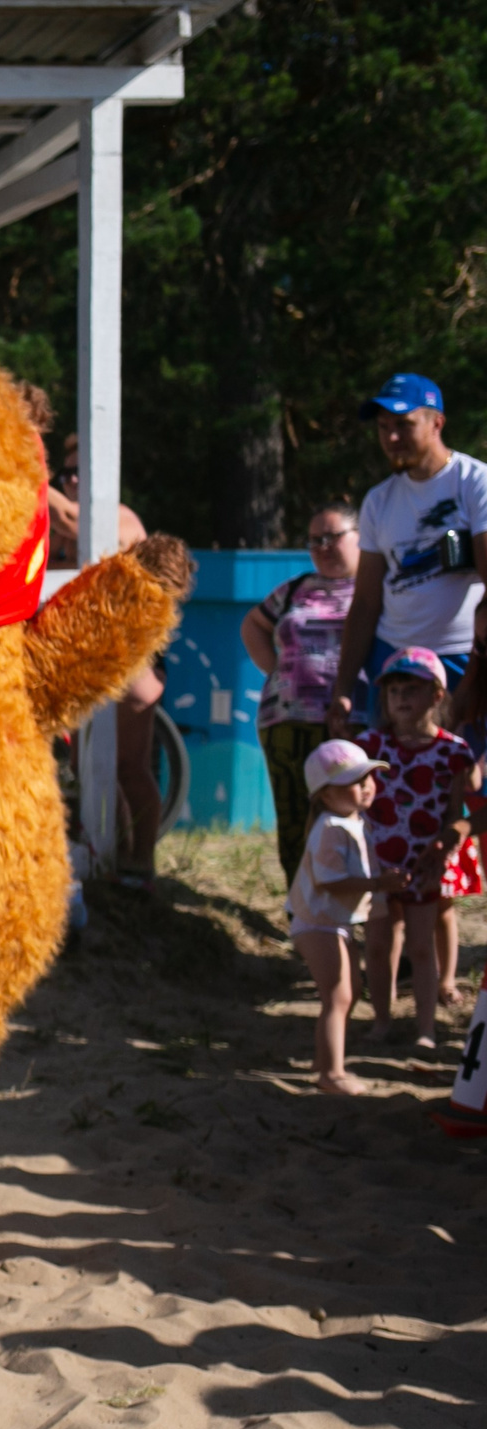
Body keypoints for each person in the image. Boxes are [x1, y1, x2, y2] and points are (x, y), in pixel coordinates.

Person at [325, 374, 487, 735]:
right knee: (390, 785)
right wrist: (344, 688)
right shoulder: (378, 500)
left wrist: (475, 677)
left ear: (437, 423)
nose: (391, 438)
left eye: (403, 425)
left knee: (468, 782)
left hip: (459, 658)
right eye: (383, 427)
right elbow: (366, 602)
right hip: (393, 662)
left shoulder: (475, 483)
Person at [353, 647, 481, 1046]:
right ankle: (382, 1021)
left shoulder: (453, 751)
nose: (402, 698)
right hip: (378, 865)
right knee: (378, 945)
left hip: (425, 862)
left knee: (422, 948)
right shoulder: (369, 746)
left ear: (437, 695)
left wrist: (444, 852)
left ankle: (426, 1028)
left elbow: (456, 809)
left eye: (412, 688)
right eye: (394, 691)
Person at [48, 438, 162, 885]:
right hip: (83, 660)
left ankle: (141, 862)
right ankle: (105, 856)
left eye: (82, 473)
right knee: (85, 768)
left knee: (129, 765)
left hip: (132, 658)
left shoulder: (119, 517)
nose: (73, 481)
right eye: (66, 474)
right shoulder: (58, 519)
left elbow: (76, 523)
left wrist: (35, 479)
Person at [243, 501, 362, 881]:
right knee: (295, 816)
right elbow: (253, 626)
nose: (322, 547)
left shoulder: (377, 589)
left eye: (332, 537)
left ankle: (348, 910)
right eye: (314, 541)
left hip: (349, 726)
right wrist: (277, 670)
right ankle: (302, 911)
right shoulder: (295, 589)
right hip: (286, 723)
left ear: (360, 538)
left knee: (347, 814)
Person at [289, 739, 405, 1095]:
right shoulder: (331, 828)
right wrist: (379, 882)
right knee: (337, 997)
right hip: (317, 923)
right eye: (355, 781)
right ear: (324, 794)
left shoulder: (353, 821)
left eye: (369, 776)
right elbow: (330, 882)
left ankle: (324, 1060)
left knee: (349, 992)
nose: (367, 785)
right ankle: (332, 1074)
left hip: (334, 923)